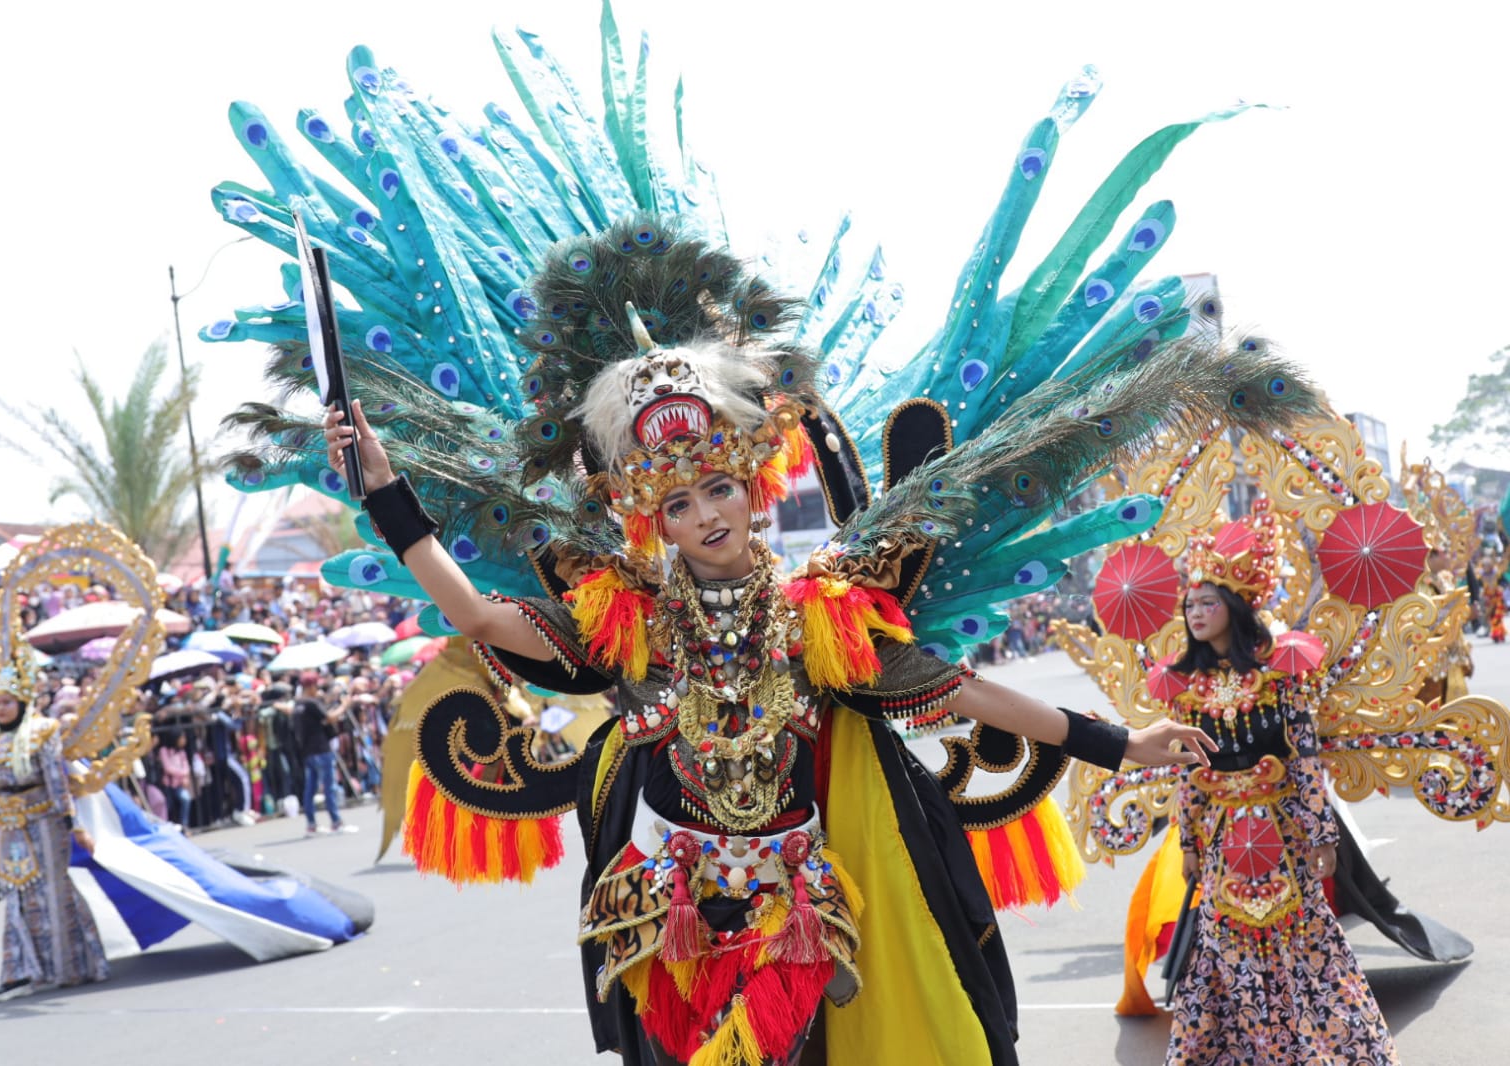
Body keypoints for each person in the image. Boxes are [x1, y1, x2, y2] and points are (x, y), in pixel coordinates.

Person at [319, 279, 1222, 1065]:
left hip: (793, 915)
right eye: (678, 502)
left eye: (718, 489)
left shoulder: (813, 618)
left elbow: (958, 690)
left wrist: (1121, 742)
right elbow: (476, 615)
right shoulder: (628, 624)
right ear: (655, 523)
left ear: (752, 491)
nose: (706, 513)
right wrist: (384, 492)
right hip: (663, 917)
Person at [1159, 510, 1396, 1064]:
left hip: (1283, 837)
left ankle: (1321, 1048)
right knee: (1220, 946)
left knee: (1305, 941)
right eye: (1190, 605)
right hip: (1221, 844)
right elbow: (1188, 776)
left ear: (1234, 608)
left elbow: (1305, 761)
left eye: (1207, 603)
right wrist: (1189, 845)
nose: (1195, 614)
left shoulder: (1281, 675)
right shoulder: (1185, 690)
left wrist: (1322, 835)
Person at [0, 649, 109, 1002]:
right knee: (16, 896)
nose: (0, 708)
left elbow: (56, 781)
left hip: (45, 821)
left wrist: (74, 825)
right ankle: (20, 970)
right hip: (9, 827)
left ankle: (71, 967)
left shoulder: (43, 731)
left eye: (7, 701)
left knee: (52, 891)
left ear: (22, 702)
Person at [295, 673, 353, 836]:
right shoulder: (311, 703)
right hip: (321, 749)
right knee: (329, 787)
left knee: (310, 789)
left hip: (308, 751)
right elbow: (330, 717)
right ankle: (336, 822)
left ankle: (311, 824)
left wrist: (328, 699)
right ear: (312, 686)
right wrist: (344, 705)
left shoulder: (299, 704)